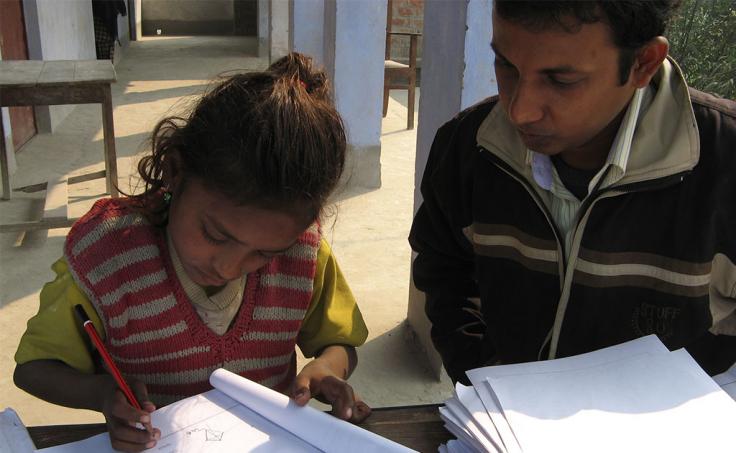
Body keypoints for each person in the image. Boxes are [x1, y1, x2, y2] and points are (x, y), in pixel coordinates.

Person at [14, 52, 371, 452]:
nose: (229, 266)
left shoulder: (303, 255)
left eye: (263, 254)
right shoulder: (107, 257)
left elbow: (339, 344)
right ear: (174, 169)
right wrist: (102, 393)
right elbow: (34, 369)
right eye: (216, 235)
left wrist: (327, 368)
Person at [409, 0, 736, 385]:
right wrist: (487, 377)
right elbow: (444, 269)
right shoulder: (469, 147)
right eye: (506, 66)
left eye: (561, 80)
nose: (520, 111)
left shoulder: (724, 162)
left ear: (643, 63)